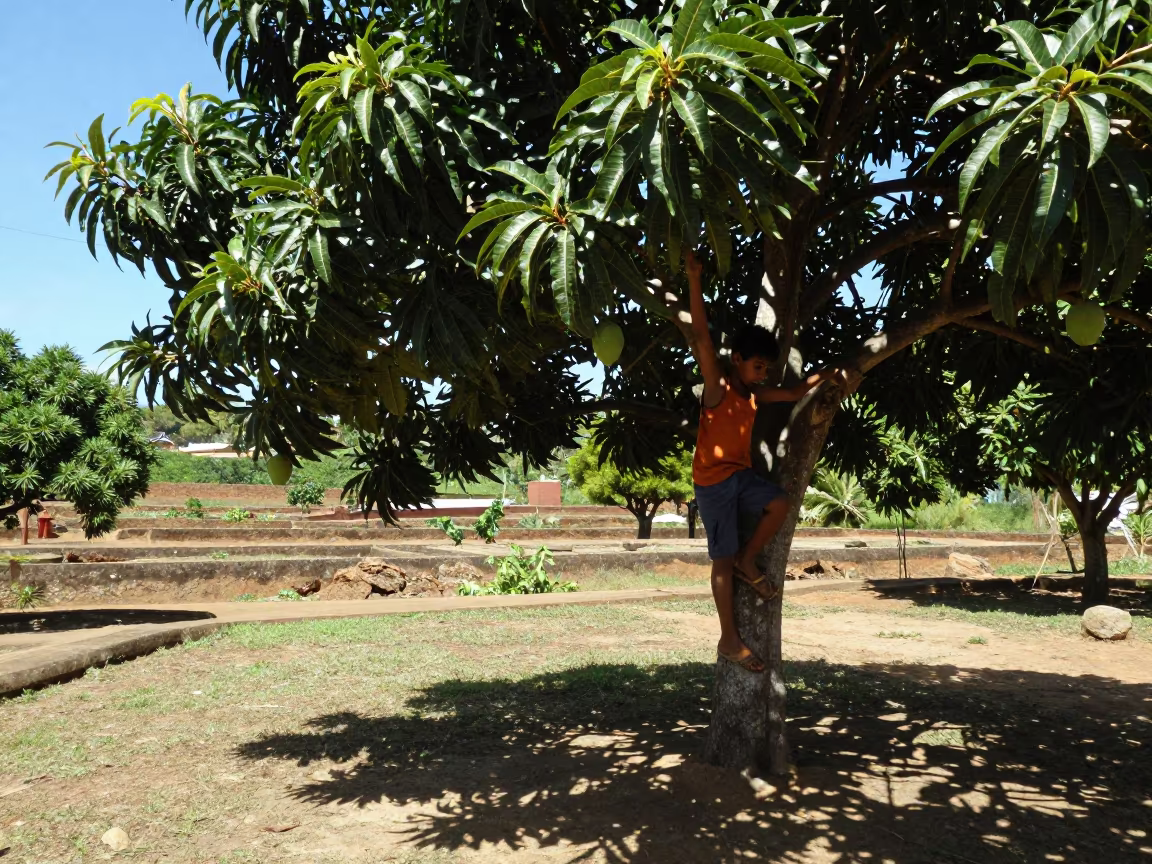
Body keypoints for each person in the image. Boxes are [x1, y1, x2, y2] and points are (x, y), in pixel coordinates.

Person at [684, 249, 841, 673]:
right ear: (737, 359)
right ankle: (728, 639)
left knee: (780, 503)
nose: (763, 373)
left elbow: (791, 395)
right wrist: (694, 278)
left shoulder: (753, 395)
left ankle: (747, 559)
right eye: (757, 365)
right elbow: (700, 336)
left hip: (740, 476)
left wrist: (826, 375)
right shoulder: (717, 389)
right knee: (719, 558)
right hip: (713, 484)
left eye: (766, 367)